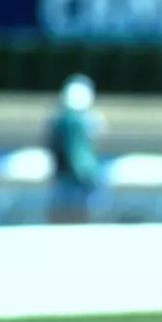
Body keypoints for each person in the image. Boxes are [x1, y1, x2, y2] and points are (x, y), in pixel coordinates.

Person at [45, 73, 106, 224]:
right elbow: (79, 155)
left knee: (65, 213)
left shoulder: (61, 119)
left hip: (68, 175)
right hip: (78, 176)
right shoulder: (78, 121)